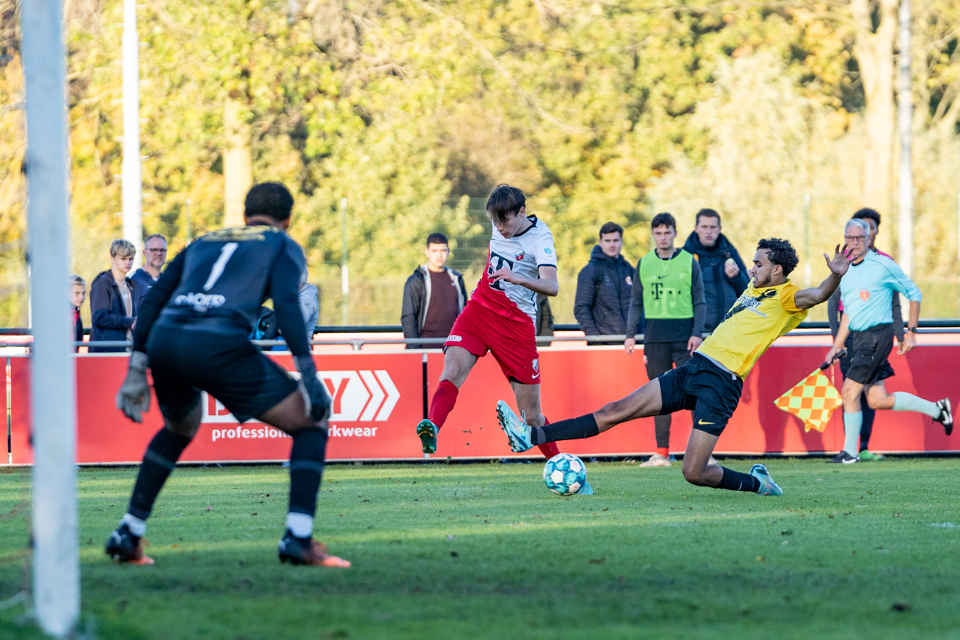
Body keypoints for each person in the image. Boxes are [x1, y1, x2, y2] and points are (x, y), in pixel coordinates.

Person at [106, 182, 348, 568]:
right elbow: (287, 303)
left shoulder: (204, 240)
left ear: (244, 216)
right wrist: (308, 371)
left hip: (166, 340)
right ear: (288, 220)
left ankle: (129, 531)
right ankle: (299, 538)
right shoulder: (282, 244)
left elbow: (154, 299)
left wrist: (137, 366)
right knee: (312, 422)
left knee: (179, 428)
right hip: (217, 342)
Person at [497, 238, 853, 497]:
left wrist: (835, 276)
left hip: (722, 384)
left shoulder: (787, 296)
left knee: (693, 472)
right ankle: (531, 437)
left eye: (758, 263)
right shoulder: (752, 287)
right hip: (694, 369)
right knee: (615, 410)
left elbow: (819, 294)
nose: (751, 267)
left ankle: (758, 484)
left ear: (777, 269)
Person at [416, 184, 563, 462]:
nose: (499, 227)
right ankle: (432, 426)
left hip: (516, 325)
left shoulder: (540, 239)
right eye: (494, 221)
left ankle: (561, 465)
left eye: (504, 220)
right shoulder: (500, 222)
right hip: (480, 309)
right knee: (451, 370)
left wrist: (519, 278)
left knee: (531, 416)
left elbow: (552, 286)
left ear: (522, 211)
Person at [824, 218, 952, 464]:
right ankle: (938, 410)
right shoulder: (845, 270)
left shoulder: (883, 265)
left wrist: (911, 331)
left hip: (877, 336)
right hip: (858, 338)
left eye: (859, 238)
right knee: (876, 400)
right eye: (849, 238)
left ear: (869, 238)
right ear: (844, 239)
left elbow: (914, 292)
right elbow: (849, 312)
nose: (854, 242)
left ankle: (850, 453)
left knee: (849, 392)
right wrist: (837, 346)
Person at [624, 213, 706, 467]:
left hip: (685, 338)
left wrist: (697, 332)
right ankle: (661, 453)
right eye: (658, 233)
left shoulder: (689, 262)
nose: (662, 237)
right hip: (655, 338)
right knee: (659, 396)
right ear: (652, 235)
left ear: (674, 233)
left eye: (667, 232)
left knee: (694, 393)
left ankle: (703, 453)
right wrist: (630, 335)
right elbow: (636, 301)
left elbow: (699, 300)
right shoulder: (644, 263)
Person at [826, 208, 902, 461]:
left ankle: (861, 447)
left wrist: (901, 332)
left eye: (869, 229)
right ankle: (851, 448)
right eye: (855, 234)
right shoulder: (843, 261)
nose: (860, 237)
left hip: (874, 332)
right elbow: (832, 299)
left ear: (873, 233)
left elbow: (895, 301)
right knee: (855, 390)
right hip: (850, 333)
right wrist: (837, 337)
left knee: (862, 390)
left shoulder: (883, 261)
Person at [682, 209, 749, 333]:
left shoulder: (730, 253)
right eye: (704, 227)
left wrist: (737, 277)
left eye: (713, 227)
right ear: (696, 228)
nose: (708, 231)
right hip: (697, 334)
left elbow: (748, 292)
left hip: (729, 330)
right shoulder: (685, 256)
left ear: (720, 228)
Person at [574, 222, 639, 343]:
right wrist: (596, 340)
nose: (612, 244)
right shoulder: (591, 270)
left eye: (615, 240)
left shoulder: (629, 269)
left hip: (632, 344)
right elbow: (581, 309)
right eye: (608, 240)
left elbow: (640, 304)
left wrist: (639, 334)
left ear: (622, 241)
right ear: (600, 242)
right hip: (605, 346)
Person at [401, 233, 468, 349]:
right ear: (427, 252)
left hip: (453, 349)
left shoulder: (457, 279)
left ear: (448, 251)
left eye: (443, 250)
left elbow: (465, 314)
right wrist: (415, 350)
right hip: (425, 350)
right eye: (434, 250)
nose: (439, 254)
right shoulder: (417, 280)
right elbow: (408, 317)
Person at [89, 239, 138, 353]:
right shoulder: (102, 284)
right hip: (107, 352)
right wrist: (129, 321)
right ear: (112, 258)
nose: (128, 262)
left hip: (128, 350)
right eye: (123, 258)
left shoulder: (131, 285)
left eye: (131, 259)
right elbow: (100, 317)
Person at [131, 233, 168, 310]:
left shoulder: (169, 282)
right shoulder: (134, 281)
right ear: (145, 253)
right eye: (154, 250)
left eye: (162, 250)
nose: (159, 253)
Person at [70, 275, 86, 352]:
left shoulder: (76, 313)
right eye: (77, 293)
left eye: (83, 293)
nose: (81, 297)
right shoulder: (64, 315)